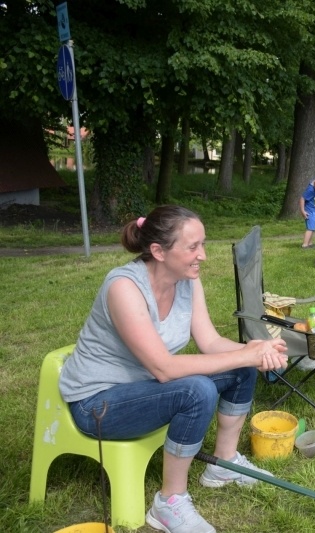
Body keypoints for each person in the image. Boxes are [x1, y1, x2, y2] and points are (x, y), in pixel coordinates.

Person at [58, 206, 288, 533]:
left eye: (203, 245)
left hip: (145, 385)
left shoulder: (187, 282)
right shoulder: (124, 287)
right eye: (193, 247)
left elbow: (209, 341)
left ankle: (222, 464)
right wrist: (246, 355)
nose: (203, 256)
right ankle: (169, 502)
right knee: (196, 390)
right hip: (97, 403)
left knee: (241, 367)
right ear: (158, 251)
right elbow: (164, 369)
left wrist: (254, 351)